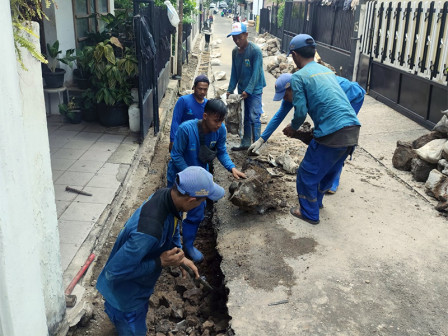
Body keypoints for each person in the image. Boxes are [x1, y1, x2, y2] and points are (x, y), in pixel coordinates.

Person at [96, 166, 224, 336]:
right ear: (192, 200)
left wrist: (180, 257)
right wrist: (160, 262)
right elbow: (113, 272)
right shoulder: (148, 232)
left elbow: (173, 226)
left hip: (136, 289)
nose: (202, 204)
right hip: (124, 298)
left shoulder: (168, 197)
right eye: (203, 201)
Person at [282, 34, 361, 225]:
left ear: (294, 55)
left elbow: (300, 111)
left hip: (333, 132)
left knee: (307, 173)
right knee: (328, 171)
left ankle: (308, 213)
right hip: (353, 129)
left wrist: (293, 128)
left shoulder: (299, 76)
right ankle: (316, 203)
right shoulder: (325, 71)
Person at [248, 73, 365, 193]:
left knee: (338, 138)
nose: (284, 98)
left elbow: (315, 114)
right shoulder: (293, 93)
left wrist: (297, 128)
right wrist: (261, 140)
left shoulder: (311, 90)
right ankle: (325, 176)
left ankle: (332, 181)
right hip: (336, 97)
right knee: (328, 138)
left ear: (292, 88)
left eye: (285, 95)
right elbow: (279, 116)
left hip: (352, 96)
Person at [167, 99, 246, 262]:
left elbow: (221, 151)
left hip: (200, 181)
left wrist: (232, 167)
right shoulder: (186, 130)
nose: (219, 124)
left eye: (222, 120)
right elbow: (176, 155)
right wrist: (191, 175)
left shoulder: (220, 130)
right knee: (173, 213)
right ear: (205, 116)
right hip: (179, 178)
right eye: (216, 120)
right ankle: (172, 247)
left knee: (197, 210)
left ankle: (188, 245)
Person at [226, 22, 266, 151]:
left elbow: (256, 73)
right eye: (234, 38)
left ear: (246, 35)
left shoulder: (255, 51)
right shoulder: (234, 52)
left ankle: (256, 146)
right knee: (245, 117)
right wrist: (230, 89)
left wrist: (249, 90)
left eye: (239, 37)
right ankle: (245, 143)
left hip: (255, 89)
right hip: (243, 89)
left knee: (254, 116)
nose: (237, 41)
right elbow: (234, 72)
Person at [169, 74, 210, 152]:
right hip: (183, 138)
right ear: (194, 87)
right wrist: (172, 140)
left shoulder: (207, 105)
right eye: (200, 89)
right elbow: (176, 120)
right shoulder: (183, 100)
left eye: (205, 89)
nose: (202, 92)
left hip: (198, 141)